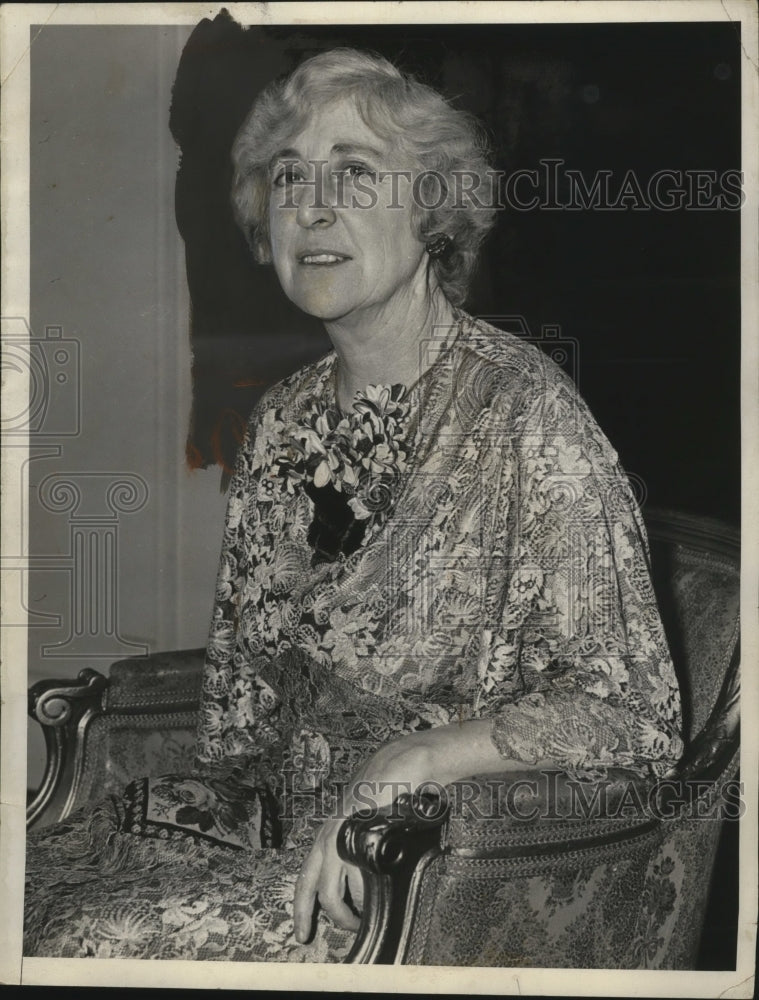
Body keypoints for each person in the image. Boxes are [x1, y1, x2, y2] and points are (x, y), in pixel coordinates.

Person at [24, 47, 683, 963]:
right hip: (283, 842)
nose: (313, 206)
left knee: (84, 941)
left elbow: (634, 721)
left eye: (357, 173)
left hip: (427, 875)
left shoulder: (526, 417)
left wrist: (410, 761)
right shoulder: (283, 417)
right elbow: (245, 715)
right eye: (289, 176)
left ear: (433, 211)